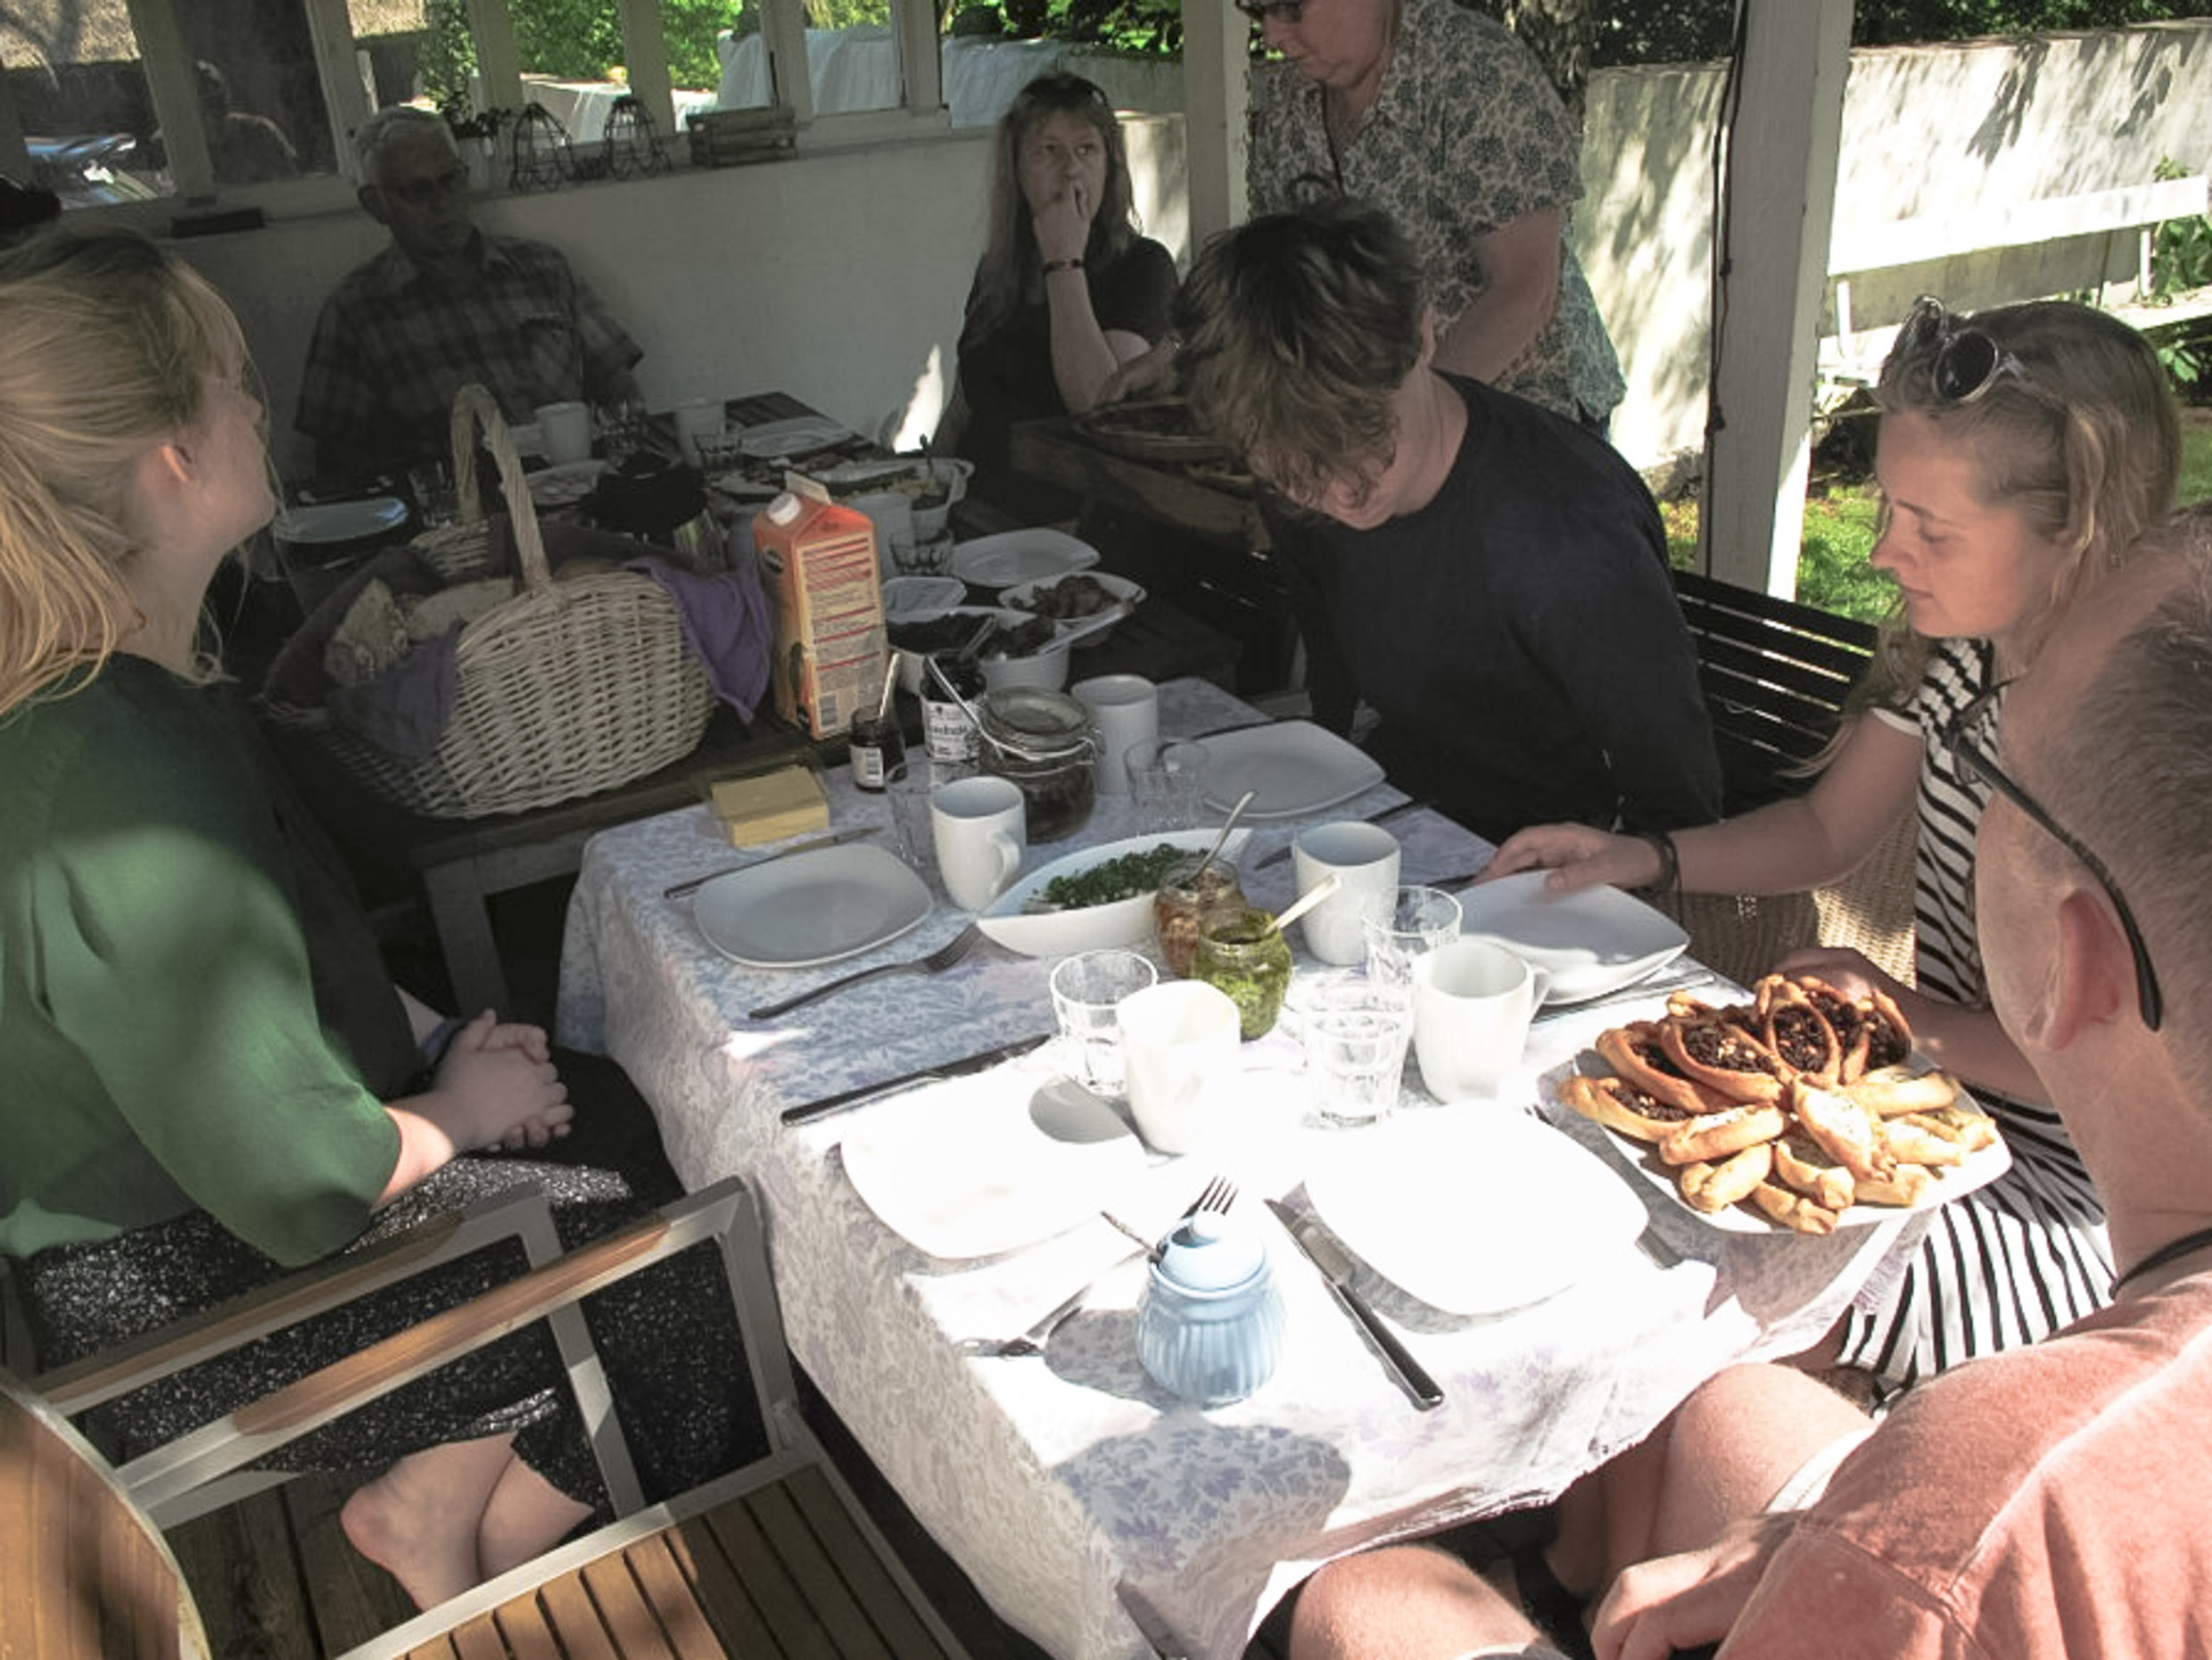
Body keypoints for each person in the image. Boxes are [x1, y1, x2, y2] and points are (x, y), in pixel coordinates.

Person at [1288, 508, 2212, 1660]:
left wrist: (1881, 1558)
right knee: (1733, 1398)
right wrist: (1811, 1553)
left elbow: (1970, 1550)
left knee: (1363, 1606)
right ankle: (1571, 1559)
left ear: (2079, 962)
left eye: (1996, 774)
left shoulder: (1994, 1504)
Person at [0, 229, 738, 1614]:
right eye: (231, 382)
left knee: (619, 1118)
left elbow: (264, 974)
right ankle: (504, 1576)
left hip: (197, 1214)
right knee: (684, 1261)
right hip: (178, 1298)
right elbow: (297, 1181)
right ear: (168, 451)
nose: (256, 405)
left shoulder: (139, 691)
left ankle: (443, 1504)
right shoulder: (103, 768)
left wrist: (453, 1040)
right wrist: (453, 1113)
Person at [1488, 297, 2182, 1400]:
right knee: (1643, 1204)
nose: (1879, 550)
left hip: (2090, 1208)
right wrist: (1640, 857)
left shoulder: (2138, 750)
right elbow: (1823, 831)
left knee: (1715, 1300)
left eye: (1929, 528)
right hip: (1930, 1119)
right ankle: (1584, 1551)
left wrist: (1905, 1015)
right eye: (1886, 506)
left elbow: (2128, 1068)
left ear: (2075, 526)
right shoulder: (1960, 662)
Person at [1174, 200, 1720, 843]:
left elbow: (1682, 807)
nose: (1340, 494)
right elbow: (1335, 677)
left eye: (1366, 440)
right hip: (1402, 814)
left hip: (1560, 859)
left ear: (1424, 335)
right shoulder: (1302, 483)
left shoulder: (1564, 531)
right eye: (1296, 471)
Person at [1238, 0, 1620, 430]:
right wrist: (1182, 351)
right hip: (1379, 423)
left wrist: (1403, 429)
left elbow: (1525, 293)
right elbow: (1269, 275)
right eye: (1255, 12)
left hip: (1523, 414)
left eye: (1289, 9)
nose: (1270, 35)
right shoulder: (1292, 102)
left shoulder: (1478, 71)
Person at [295, 105, 644, 478]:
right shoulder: (358, 310)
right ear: (376, 205)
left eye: (450, 180)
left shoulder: (543, 269)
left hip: (575, 490)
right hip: (468, 514)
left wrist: (623, 464)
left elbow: (618, 385)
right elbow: (336, 459)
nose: (441, 203)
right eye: (417, 191)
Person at [950, 71, 1176, 521]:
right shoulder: (999, 267)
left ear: (1109, 165)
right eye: (1048, 151)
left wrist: (1064, 261)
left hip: (1074, 526)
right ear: (1016, 168)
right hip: (975, 503)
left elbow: (1097, 402)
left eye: (1086, 150)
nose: (1071, 169)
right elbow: (963, 401)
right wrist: (929, 479)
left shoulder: (1142, 266)